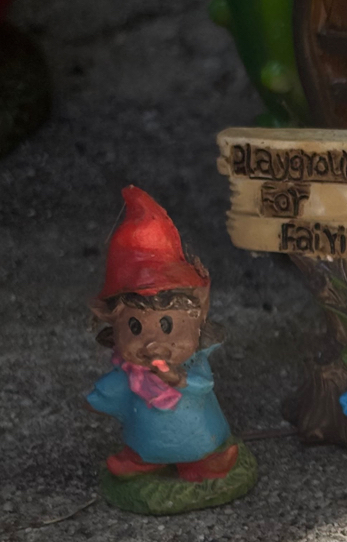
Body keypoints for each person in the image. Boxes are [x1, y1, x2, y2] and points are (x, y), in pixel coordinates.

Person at [86, 186, 238, 482]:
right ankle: (141, 462)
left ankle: (204, 463)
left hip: (196, 430)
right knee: (142, 447)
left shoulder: (192, 363)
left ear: (196, 319)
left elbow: (203, 384)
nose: (153, 343)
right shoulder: (129, 371)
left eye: (167, 325)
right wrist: (100, 397)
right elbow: (116, 389)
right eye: (135, 328)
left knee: (201, 445)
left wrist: (178, 379)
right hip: (146, 435)